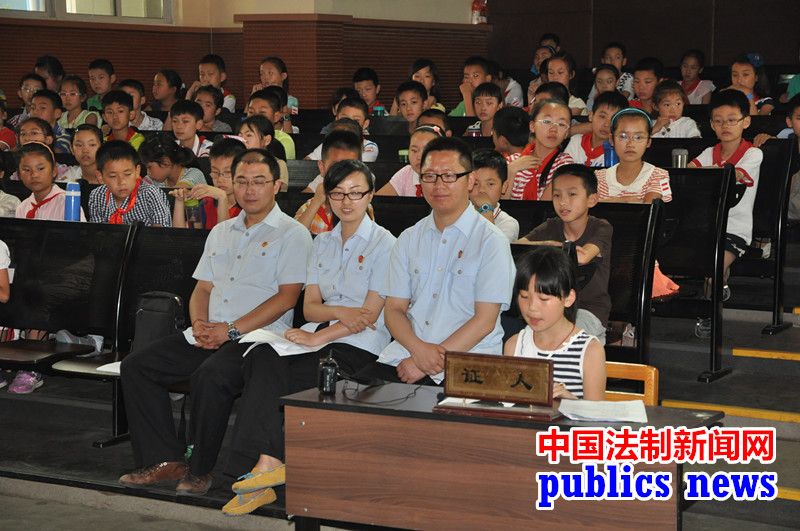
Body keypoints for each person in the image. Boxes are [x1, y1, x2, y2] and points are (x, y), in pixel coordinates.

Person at [118, 149, 311, 497]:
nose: (249, 189)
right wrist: (199, 325)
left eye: (259, 182)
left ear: (276, 186)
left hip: (255, 340)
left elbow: (286, 298)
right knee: (137, 366)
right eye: (242, 181)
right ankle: (164, 459)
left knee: (210, 376)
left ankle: (201, 470)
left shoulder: (293, 234)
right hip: (209, 332)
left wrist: (230, 330)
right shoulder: (221, 231)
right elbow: (202, 288)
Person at [220, 159, 396, 516]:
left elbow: (369, 316)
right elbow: (311, 308)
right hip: (323, 335)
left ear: (370, 195)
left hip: (360, 345)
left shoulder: (386, 244)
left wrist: (322, 335)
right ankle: (264, 464)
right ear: (327, 197)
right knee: (262, 357)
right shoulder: (322, 243)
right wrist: (339, 315)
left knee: (288, 377)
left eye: (355, 193)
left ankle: (261, 468)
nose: (346, 201)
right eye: (337, 193)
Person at [353, 137, 515, 385]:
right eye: (429, 176)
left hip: (466, 363)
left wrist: (427, 361)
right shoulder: (408, 238)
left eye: (449, 176)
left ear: (470, 180)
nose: (438, 185)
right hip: (406, 354)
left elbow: (484, 321)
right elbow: (394, 310)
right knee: (351, 396)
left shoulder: (491, 241)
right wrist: (419, 351)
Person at [689, 89, 762, 335]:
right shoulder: (710, 152)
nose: (725, 126)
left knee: (713, 271)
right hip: (706, 227)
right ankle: (720, 286)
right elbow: (689, 170)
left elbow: (735, 176)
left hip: (735, 229)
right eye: (718, 121)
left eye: (732, 120)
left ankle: (709, 316)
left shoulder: (753, 153)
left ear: (746, 121)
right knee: (713, 269)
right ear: (711, 124)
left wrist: (710, 172)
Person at [516, 164, 611, 344]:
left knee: (561, 340)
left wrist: (548, 247)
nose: (563, 202)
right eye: (557, 195)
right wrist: (548, 244)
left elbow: (582, 256)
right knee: (525, 339)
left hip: (587, 310)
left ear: (592, 199)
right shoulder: (551, 226)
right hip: (549, 307)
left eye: (572, 194)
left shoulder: (601, 227)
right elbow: (518, 247)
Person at [503, 246, 606, 400]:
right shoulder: (514, 346)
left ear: (568, 298)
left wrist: (569, 401)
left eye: (543, 299)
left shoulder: (589, 351)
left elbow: (596, 412)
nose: (531, 307)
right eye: (524, 296)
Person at [595, 108, 672, 203]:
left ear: (648, 142)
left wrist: (610, 200)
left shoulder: (659, 175)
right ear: (611, 140)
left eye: (638, 137)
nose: (630, 144)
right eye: (623, 136)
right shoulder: (599, 177)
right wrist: (632, 200)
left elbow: (648, 207)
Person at [88, 140, 171, 226]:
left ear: (137, 171)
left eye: (127, 174)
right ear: (100, 176)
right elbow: (96, 231)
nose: (121, 182)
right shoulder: (97, 196)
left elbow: (161, 230)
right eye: (113, 176)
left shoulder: (150, 194)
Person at [171, 137, 246, 229]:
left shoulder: (248, 206)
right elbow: (190, 233)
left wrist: (222, 198)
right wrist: (180, 201)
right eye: (215, 172)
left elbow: (224, 236)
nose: (220, 179)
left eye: (227, 173)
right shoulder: (206, 202)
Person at [505, 99, 574, 200]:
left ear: (566, 133)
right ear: (532, 126)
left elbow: (543, 206)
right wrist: (510, 171)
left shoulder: (565, 164)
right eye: (547, 121)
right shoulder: (511, 161)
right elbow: (500, 205)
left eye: (561, 124)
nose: (554, 129)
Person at [296, 131, 362, 234]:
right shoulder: (310, 206)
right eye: (335, 166)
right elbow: (294, 237)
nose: (343, 174)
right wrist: (316, 203)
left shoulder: (362, 206)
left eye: (350, 167)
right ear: (322, 168)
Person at [564, 91, 629, 166]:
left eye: (614, 119)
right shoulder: (576, 141)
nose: (607, 124)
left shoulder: (619, 152)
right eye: (602, 116)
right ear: (591, 116)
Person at [376, 125, 443, 196]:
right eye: (414, 150)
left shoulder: (447, 177)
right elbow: (377, 200)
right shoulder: (406, 173)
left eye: (426, 151)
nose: (419, 157)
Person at [304, 98, 378, 162]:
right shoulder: (329, 143)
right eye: (344, 119)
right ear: (336, 120)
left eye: (356, 121)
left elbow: (357, 166)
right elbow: (308, 161)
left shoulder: (369, 147)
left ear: (365, 124)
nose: (349, 124)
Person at [470, 149, 519, 241]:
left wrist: (486, 208)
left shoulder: (508, 223)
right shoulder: (457, 215)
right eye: (475, 183)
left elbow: (491, 246)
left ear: (504, 187)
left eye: (490, 184)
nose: (482, 190)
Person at [236, 115, 289, 188]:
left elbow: (280, 192)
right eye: (240, 135)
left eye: (249, 135)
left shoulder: (279, 164)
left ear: (267, 140)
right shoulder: (235, 161)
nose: (242, 139)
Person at [139, 137, 206, 189]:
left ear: (165, 162)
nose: (148, 172)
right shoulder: (151, 179)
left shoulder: (195, 174)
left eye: (149, 167)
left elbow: (178, 193)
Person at [246, 89, 295, 159]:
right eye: (251, 112)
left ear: (276, 116)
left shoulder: (284, 140)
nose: (255, 117)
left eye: (262, 113)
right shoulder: (241, 136)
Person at [29, 89, 71, 154]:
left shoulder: (63, 136)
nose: (35, 112)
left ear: (57, 113)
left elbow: (57, 154)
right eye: (33, 108)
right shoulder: (25, 133)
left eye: (42, 108)